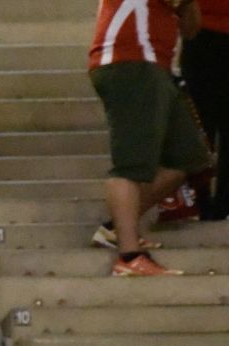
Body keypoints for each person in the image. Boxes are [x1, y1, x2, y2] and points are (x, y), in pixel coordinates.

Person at [90, 0, 206, 275]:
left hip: (156, 62)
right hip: (129, 60)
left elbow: (192, 28)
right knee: (131, 165)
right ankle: (129, 257)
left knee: (187, 158)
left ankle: (115, 228)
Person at [186, 1, 229, 221]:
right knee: (201, 126)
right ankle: (205, 201)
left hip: (203, 34)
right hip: (202, 34)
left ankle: (208, 202)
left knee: (202, 126)